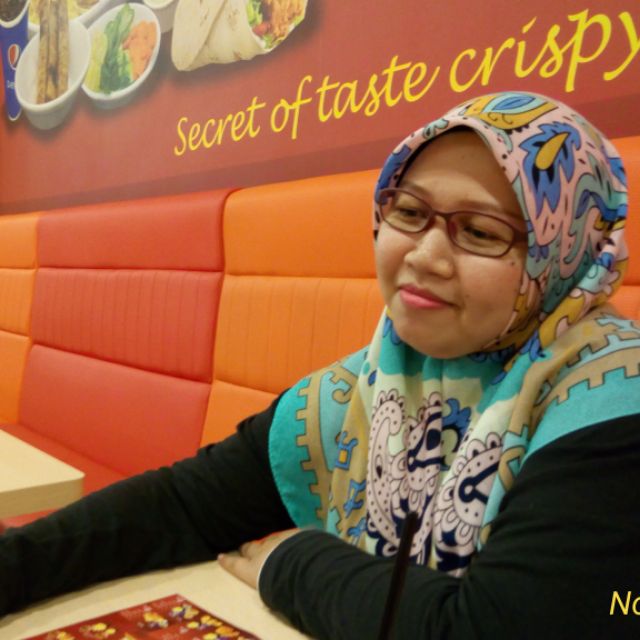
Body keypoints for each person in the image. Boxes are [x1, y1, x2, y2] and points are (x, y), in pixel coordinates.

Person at [1, 92, 639, 639]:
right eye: (409, 212)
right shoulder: (372, 382)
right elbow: (184, 506)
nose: (424, 255)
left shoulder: (614, 401)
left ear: (563, 253)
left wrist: (295, 562)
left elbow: (497, 629)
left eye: (481, 232)